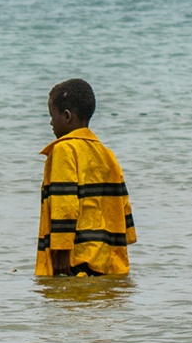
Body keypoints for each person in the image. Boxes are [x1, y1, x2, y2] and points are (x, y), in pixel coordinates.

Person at [34, 78, 135, 276]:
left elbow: (65, 203)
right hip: (106, 257)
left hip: (74, 258)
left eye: (51, 116)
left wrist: (61, 252)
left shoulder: (64, 149)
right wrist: (124, 241)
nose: (50, 123)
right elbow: (123, 203)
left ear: (67, 115)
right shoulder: (106, 154)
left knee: (71, 305)